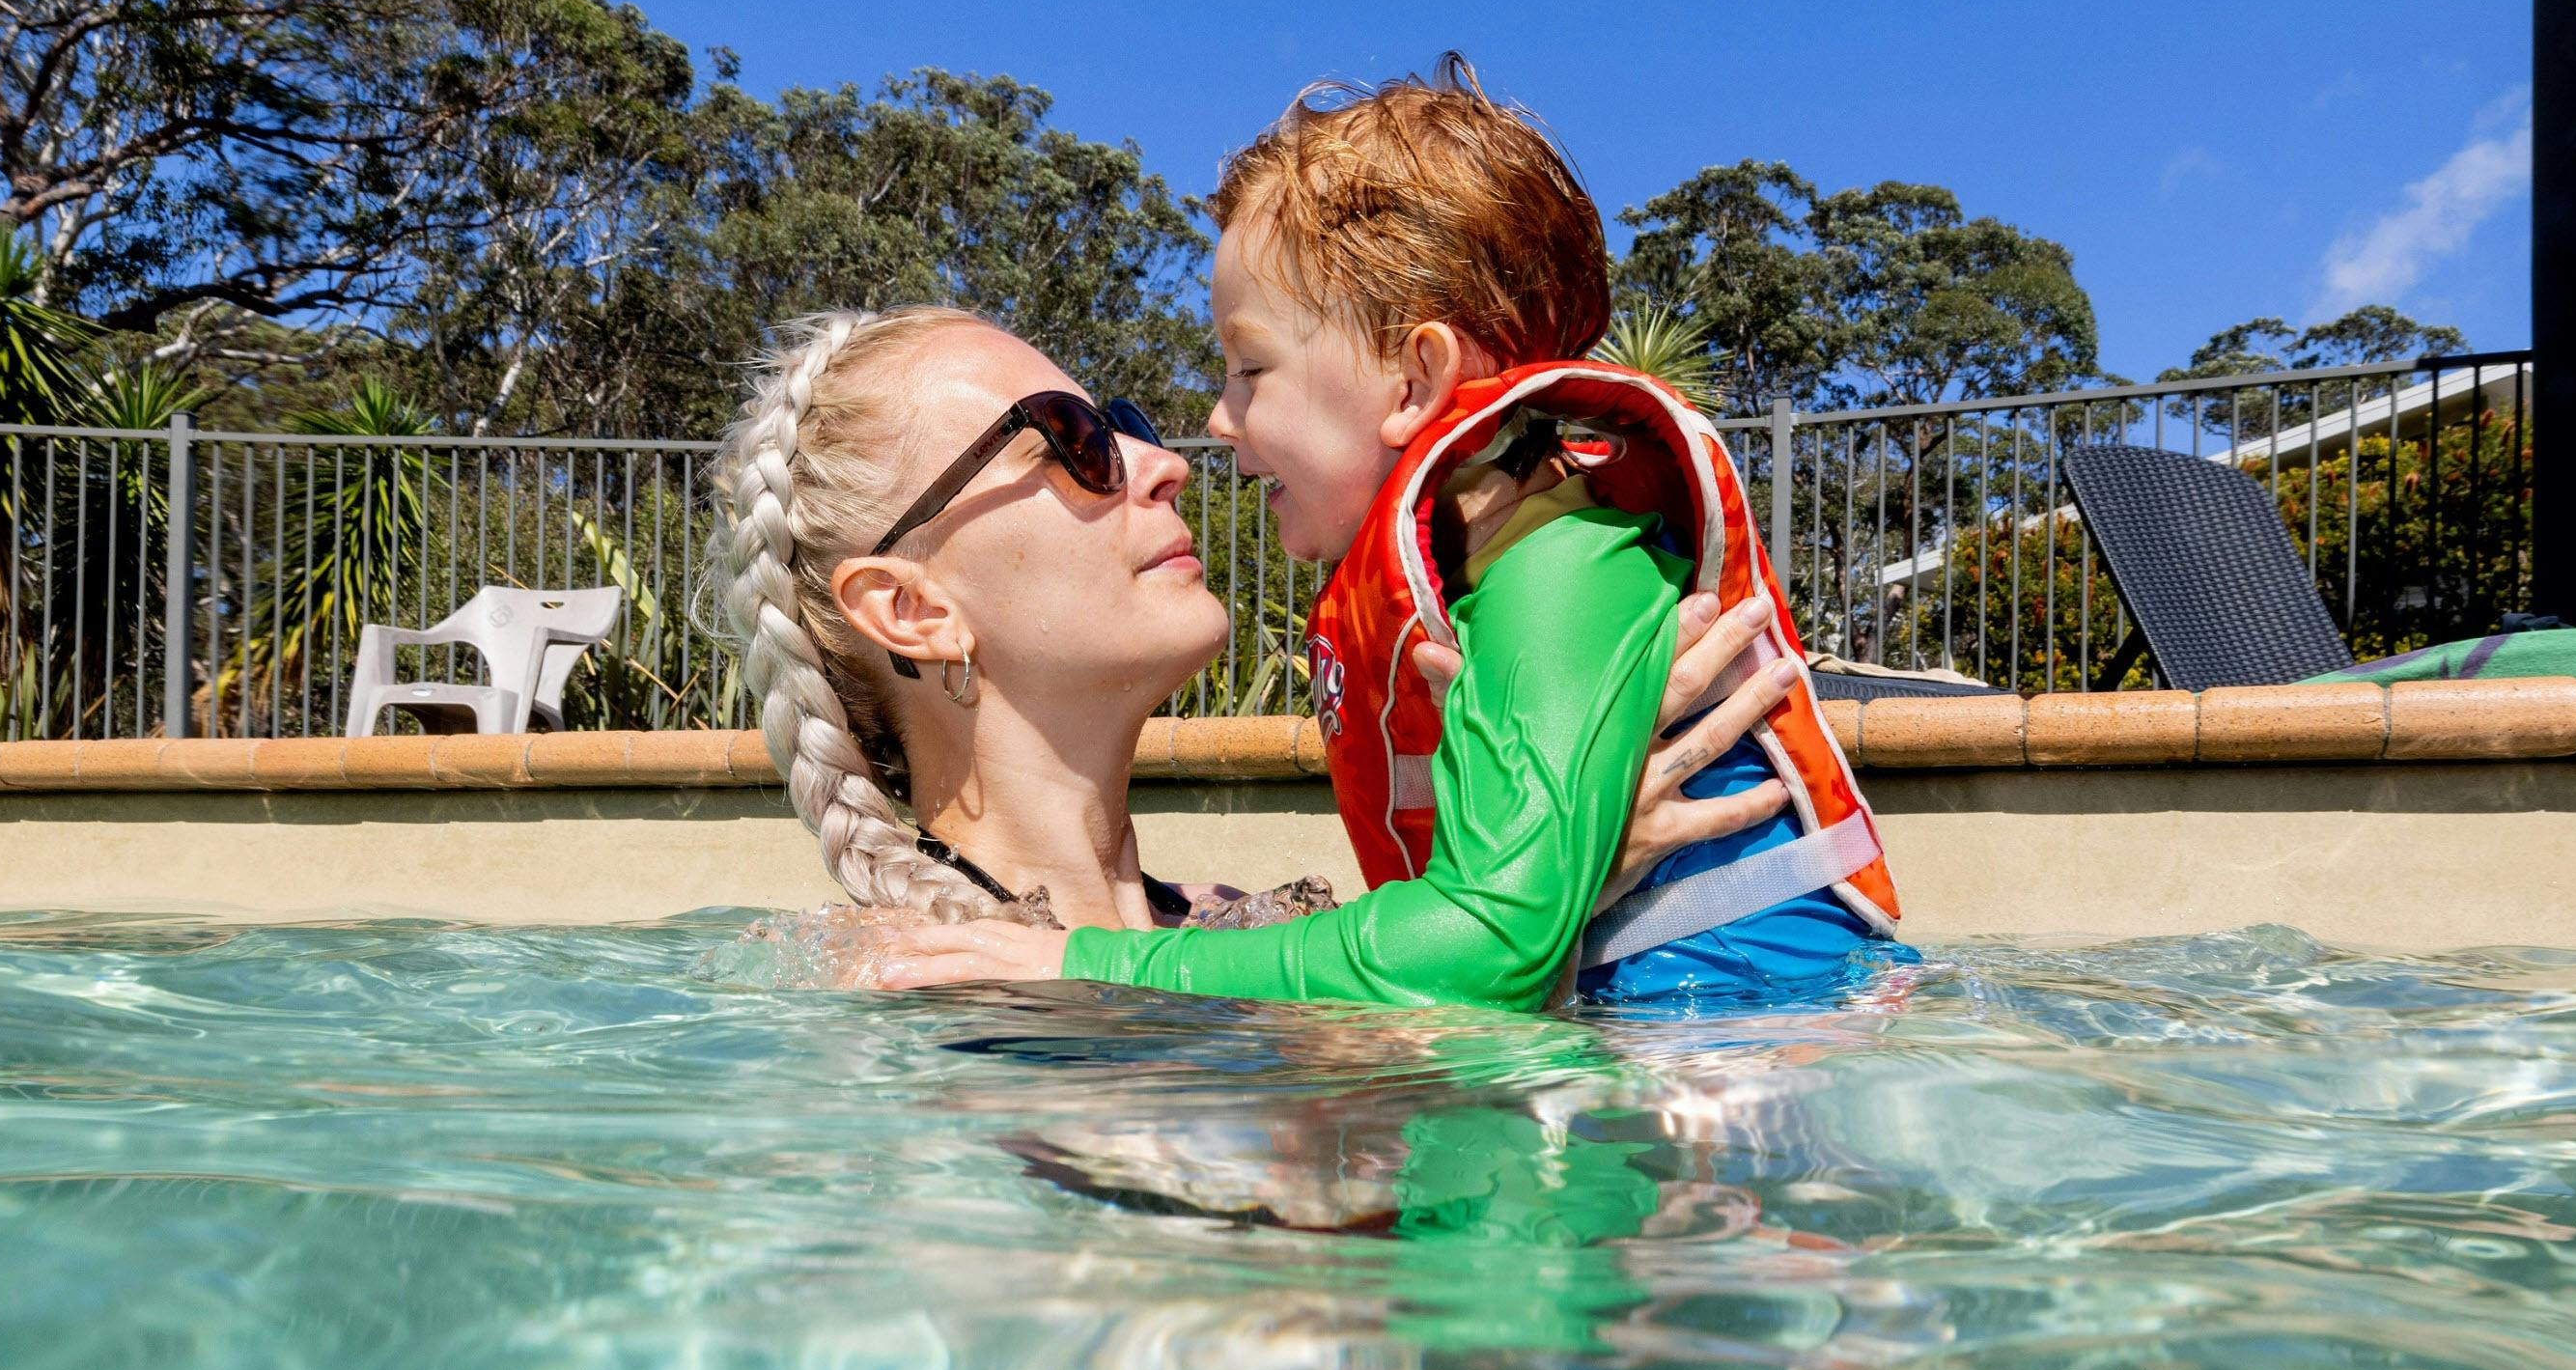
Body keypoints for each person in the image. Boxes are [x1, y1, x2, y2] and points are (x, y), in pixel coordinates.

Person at [885, 61, 1907, 1010]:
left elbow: (1490, 945)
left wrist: (1095, 959)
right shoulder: (1492, 571)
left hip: (1753, 1066)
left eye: (1250, 368)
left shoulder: (1559, 561)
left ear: (1414, 379)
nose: (1220, 423)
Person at [713, 304, 1794, 988]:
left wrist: (1556, 871)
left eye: (1125, 418)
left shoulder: (1283, 930)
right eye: (1075, 440)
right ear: (911, 609)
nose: (1162, 459)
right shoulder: (877, 982)